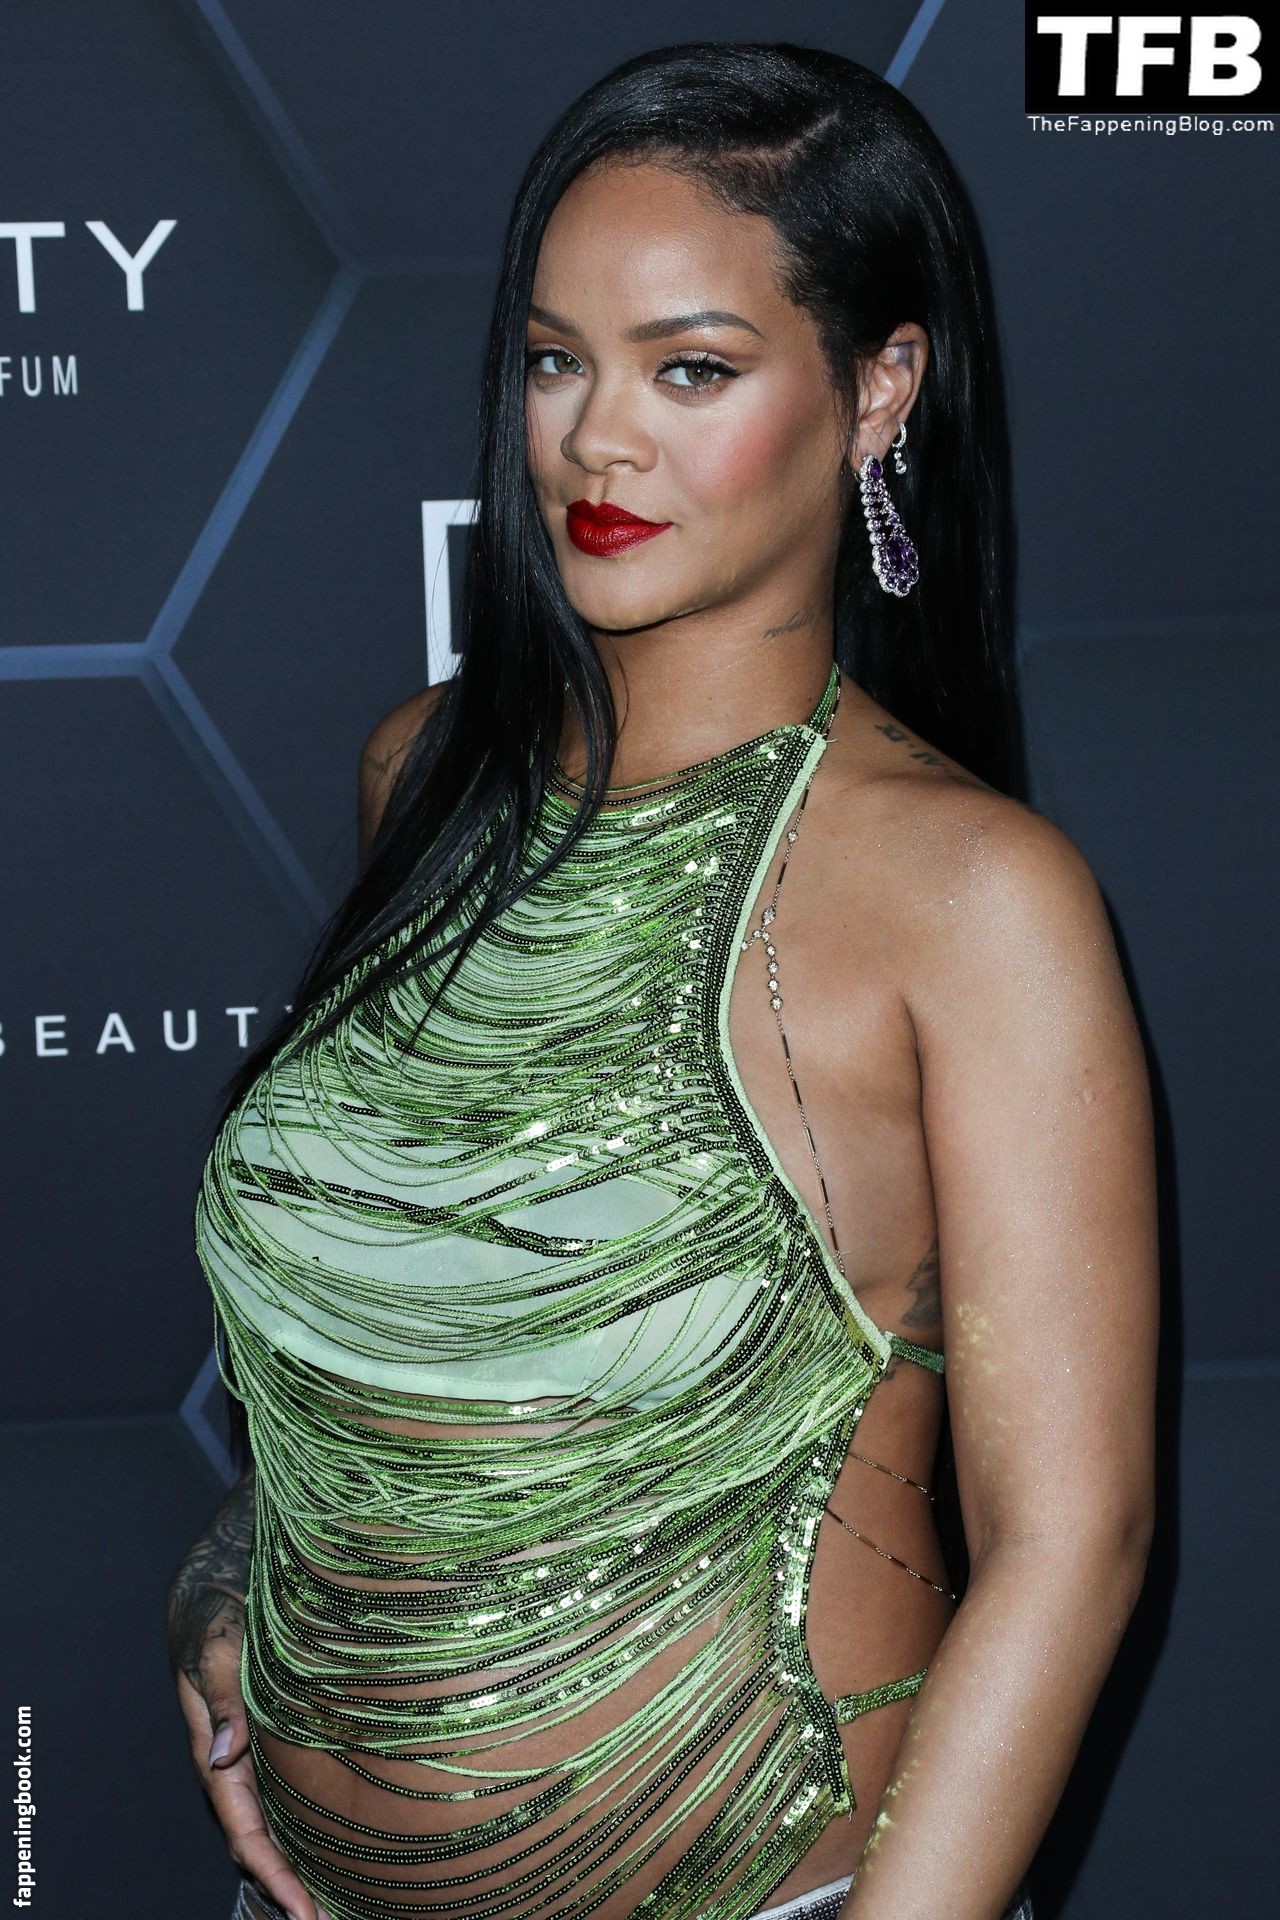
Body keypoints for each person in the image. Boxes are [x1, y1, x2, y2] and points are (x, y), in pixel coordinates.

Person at [167, 40, 1158, 1920]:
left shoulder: (971, 897)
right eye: (558, 362)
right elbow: (439, 1331)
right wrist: (230, 1589)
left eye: (689, 369)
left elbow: (1073, 1541)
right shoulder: (421, 774)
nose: (595, 443)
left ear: (879, 389)